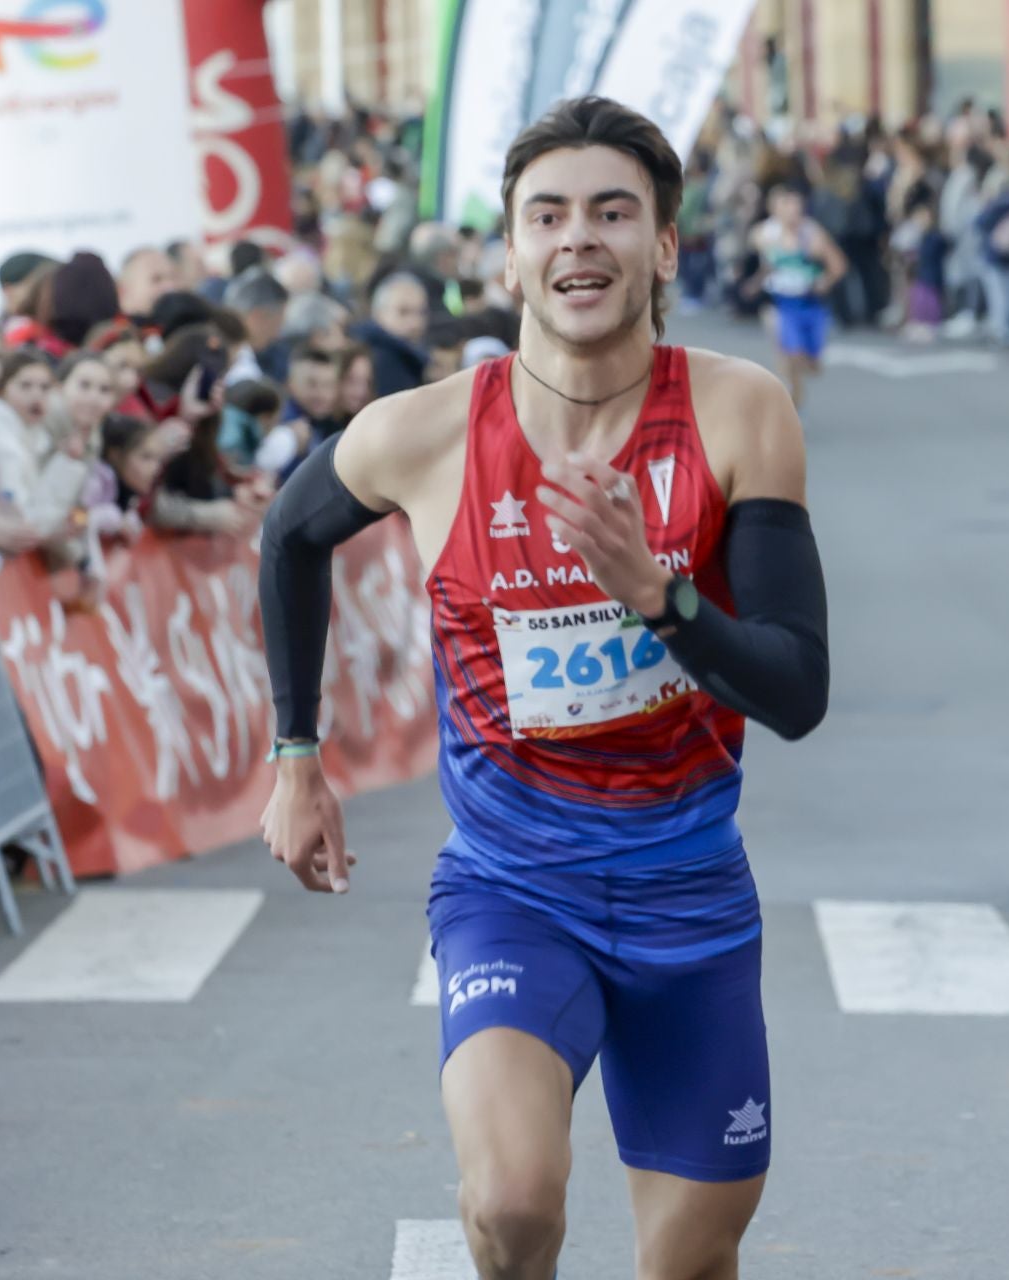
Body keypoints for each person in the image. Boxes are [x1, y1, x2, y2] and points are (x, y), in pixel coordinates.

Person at [257, 96, 830, 1280]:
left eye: (613, 212)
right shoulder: (419, 436)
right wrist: (295, 754)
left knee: (690, 1260)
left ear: (664, 246)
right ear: (509, 253)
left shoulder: (735, 412)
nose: (580, 239)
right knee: (514, 1207)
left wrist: (659, 595)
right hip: (516, 889)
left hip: (691, 898)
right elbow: (288, 536)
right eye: (548, 215)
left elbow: (797, 685)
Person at [748, 182, 847, 406]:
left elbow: (838, 265)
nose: (792, 210)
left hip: (810, 303)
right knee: (789, 354)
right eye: (786, 204)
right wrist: (755, 283)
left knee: (812, 365)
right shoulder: (764, 234)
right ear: (775, 208)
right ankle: (791, 403)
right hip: (781, 304)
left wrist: (825, 281)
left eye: (796, 205)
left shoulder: (812, 235)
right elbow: (766, 264)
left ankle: (794, 382)